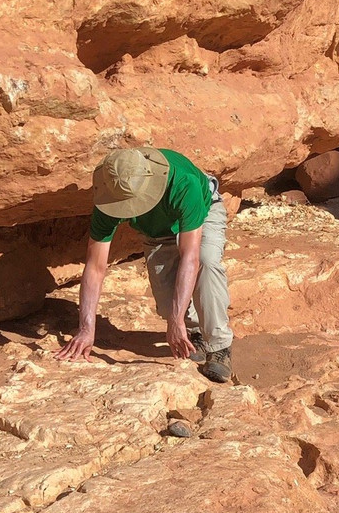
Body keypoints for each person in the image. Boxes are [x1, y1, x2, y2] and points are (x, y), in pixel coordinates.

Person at [56, 147, 233, 383]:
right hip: (156, 232)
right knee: (167, 303)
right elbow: (96, 267)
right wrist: (86, 329)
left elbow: (190, 257)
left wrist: (175, 321)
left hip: (202, 213)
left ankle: (219, 346)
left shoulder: (183, 183)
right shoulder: (111, 193)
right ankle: (194, 332)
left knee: (206, 262)